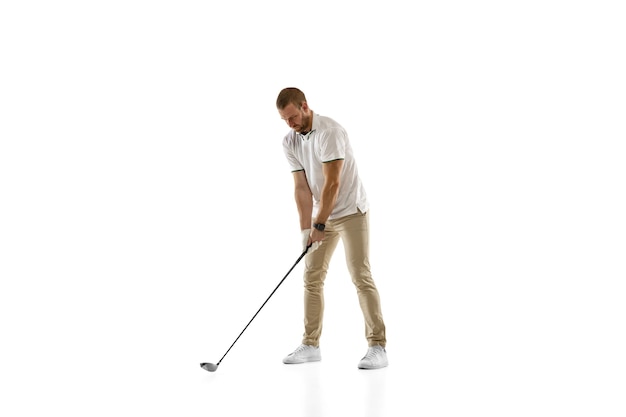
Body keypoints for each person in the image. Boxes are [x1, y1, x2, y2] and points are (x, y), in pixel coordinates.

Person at [276, 87, 388, 369]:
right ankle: (310, 344)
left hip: (351, 211)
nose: (291, 124)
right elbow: (301, 188)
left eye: (293, 117)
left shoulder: (331, 132)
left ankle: (378, 347)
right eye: (284, 120)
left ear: (304, 106)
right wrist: (305, 231)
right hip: (320, 214)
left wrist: (320, 224)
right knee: (312, 276)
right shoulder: (290, 141)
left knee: (360, 273)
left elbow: (332, 184)